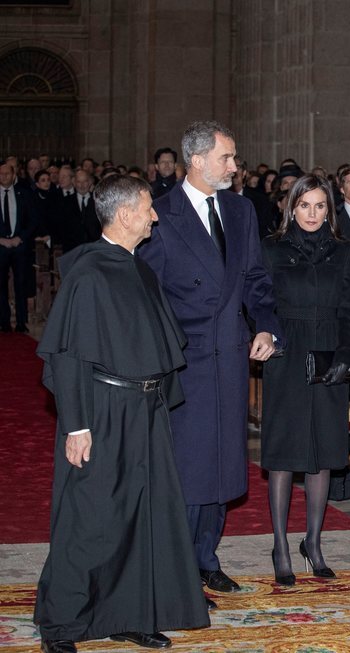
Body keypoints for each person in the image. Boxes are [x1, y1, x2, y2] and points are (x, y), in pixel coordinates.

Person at [34, 175, 209, 653]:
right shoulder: (89, 274)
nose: (155, 216)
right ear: (126, 213)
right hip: (103, 411)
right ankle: (62, 624)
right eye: (149, 208)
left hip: (145, 410)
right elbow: (68, 355)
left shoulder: (139, 268)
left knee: (141, 516)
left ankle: (129, 614)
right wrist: (77, 425)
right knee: (90, 519)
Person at [139, 120, 284, 597]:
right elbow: (147, 296)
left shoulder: (241, 211)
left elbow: (257, 280)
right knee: (189, 466)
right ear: (197, 160)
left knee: (224, 465)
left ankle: (206, 558)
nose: (235, 166)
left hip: (230, 357)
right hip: (186, 362)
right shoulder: (160, 215)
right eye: (227, 158)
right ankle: (178, 569)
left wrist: (266, 325)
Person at [259, 174, 350, 586]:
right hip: (287, 353)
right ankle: (281, 546)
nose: (312, 214)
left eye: (320, 206)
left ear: (329, 210)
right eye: (305, 206)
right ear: (291, 208)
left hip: (330, 351)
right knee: (284, 453)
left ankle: (313, 543)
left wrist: (347, 357)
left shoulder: (345, 252)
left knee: (323, 453)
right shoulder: (270, 249)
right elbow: (259, 303)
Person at [0, 162, 38, 332]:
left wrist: (20, 238)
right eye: (1, 174)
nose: (4, 177)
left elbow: (33, 220)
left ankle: (22, 322)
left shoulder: (24, 194)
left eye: (7, 173)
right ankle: (4, 322)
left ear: (13, 174)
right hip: (0, 246)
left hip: (19, 246)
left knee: (20, 283)